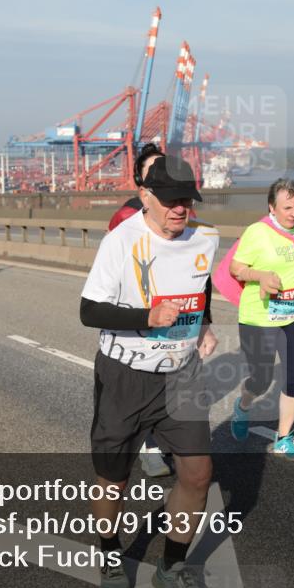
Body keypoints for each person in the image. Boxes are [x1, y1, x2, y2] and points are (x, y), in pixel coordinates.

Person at [81, 155, 218, 588]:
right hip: (125, 376)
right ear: (145, 196)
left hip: (182, 373)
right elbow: (89, 310)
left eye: (186, 200)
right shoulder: (121, 242)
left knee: (198, 474)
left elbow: (201, 286)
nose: (180, 209)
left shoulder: (205, 237)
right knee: (113, 479)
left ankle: (172, 567)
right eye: (170, 200)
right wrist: (147, 318)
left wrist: (205, 324)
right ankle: (110, 554)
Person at [228, 178, 294, 460]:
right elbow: (237, 268)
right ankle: (243, 406)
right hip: (258, 317)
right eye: (288, 207)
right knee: (260, 379)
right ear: (272, 207)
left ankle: (283, 438)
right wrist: (261, 276)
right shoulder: (257, 232)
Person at [108, 144, 172, 478]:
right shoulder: (125, 215)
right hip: (138, 313)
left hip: (172, 311)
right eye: (151, 169)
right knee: (144, 379)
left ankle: (160, 439)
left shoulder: (177, 209)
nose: (159, 173)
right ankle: (149, 449)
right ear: (140, 179)